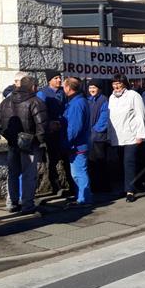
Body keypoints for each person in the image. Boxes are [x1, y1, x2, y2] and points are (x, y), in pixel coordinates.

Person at [0, 76, 48, 214]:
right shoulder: (36, 101)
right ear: (33, 87)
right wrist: (39, 141)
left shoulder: (6, 101)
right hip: (30, 144)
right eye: (36, 86)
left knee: (13, 173)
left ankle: (11, 202)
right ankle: (27, 205)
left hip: (12, 143)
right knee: (28, 175)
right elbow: (42, 126)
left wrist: (10, 137)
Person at [107, 73, 145, 202]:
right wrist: (109, 135)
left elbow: (141, 115)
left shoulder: (133, 96)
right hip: (116, 136)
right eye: (114, 84)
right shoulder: (111, 97)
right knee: (118, 163)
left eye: (119, 83)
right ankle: (123, 188)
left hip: (131, 135)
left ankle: (130, 190)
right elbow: (110, 118)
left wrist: (140, 134)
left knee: (129, 163)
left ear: (124, 83)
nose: (116, 86)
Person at [37, 69, 72, 195]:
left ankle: (71, 184)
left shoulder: (64, 93)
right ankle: (55, 185)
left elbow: (67, 108)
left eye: (59, 78)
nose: (59, 80)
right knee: (53, 160)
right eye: (56, 78)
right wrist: (50, 123)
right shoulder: (43, 93)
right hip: (51, 132)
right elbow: (41, 112)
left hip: (63, 130)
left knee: (66, 158)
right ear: (49, 80)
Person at [61, 77, 91, 207]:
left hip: (77, 145)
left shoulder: (77, 103)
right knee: (78, 172)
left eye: (64, 87)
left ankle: (84, 199)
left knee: (79, 173)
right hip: (80, 143)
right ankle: (81, 197)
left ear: (68, 88)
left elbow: (74, 127)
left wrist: (67, 142)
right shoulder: (80, 101)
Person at [86, 80, 110, 194]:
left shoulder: (103, 100)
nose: (92, 90)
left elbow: (104, 119)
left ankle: (103, 186)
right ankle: (94, 186)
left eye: (94, 87)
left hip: (99, 137)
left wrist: (94, 131)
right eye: (90, 87)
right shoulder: (88, 100)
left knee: (100, 162)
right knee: (92, 163)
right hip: (90, 137)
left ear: (99, 89)